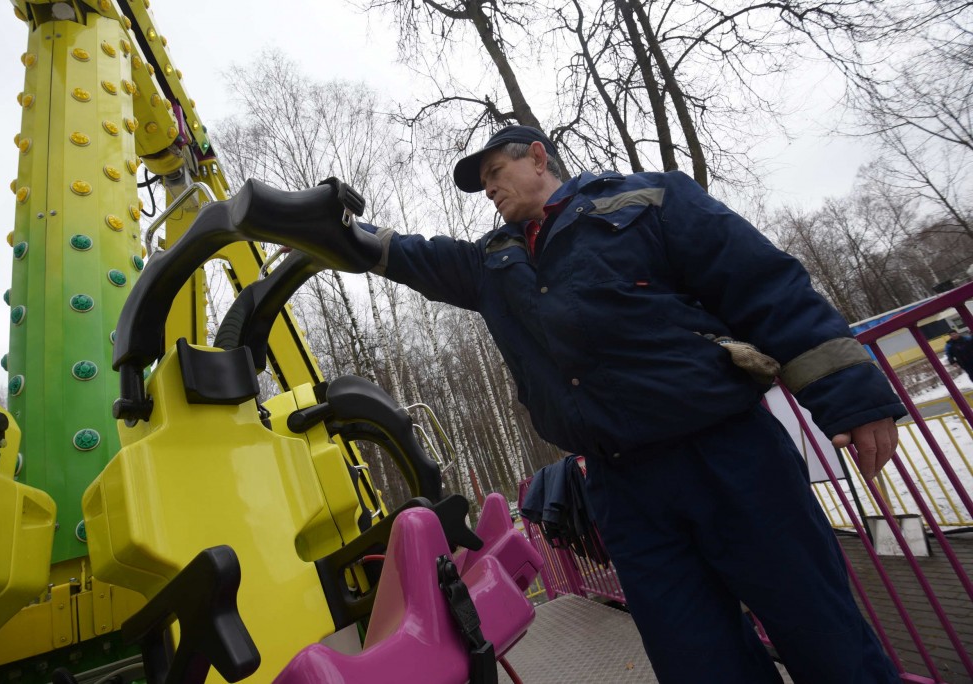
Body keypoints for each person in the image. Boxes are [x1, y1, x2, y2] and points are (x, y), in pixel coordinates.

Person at [354, 125, 905, 683]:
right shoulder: (493, 264)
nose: (489, 190)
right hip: (623, 490)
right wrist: (339, 231)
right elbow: (411, 256)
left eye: (495, 173)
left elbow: (764, 287)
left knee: (821, 631)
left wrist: (850, 396)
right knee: (696, 660)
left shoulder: (649, 199)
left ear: (539, 157)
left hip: (730, 456)